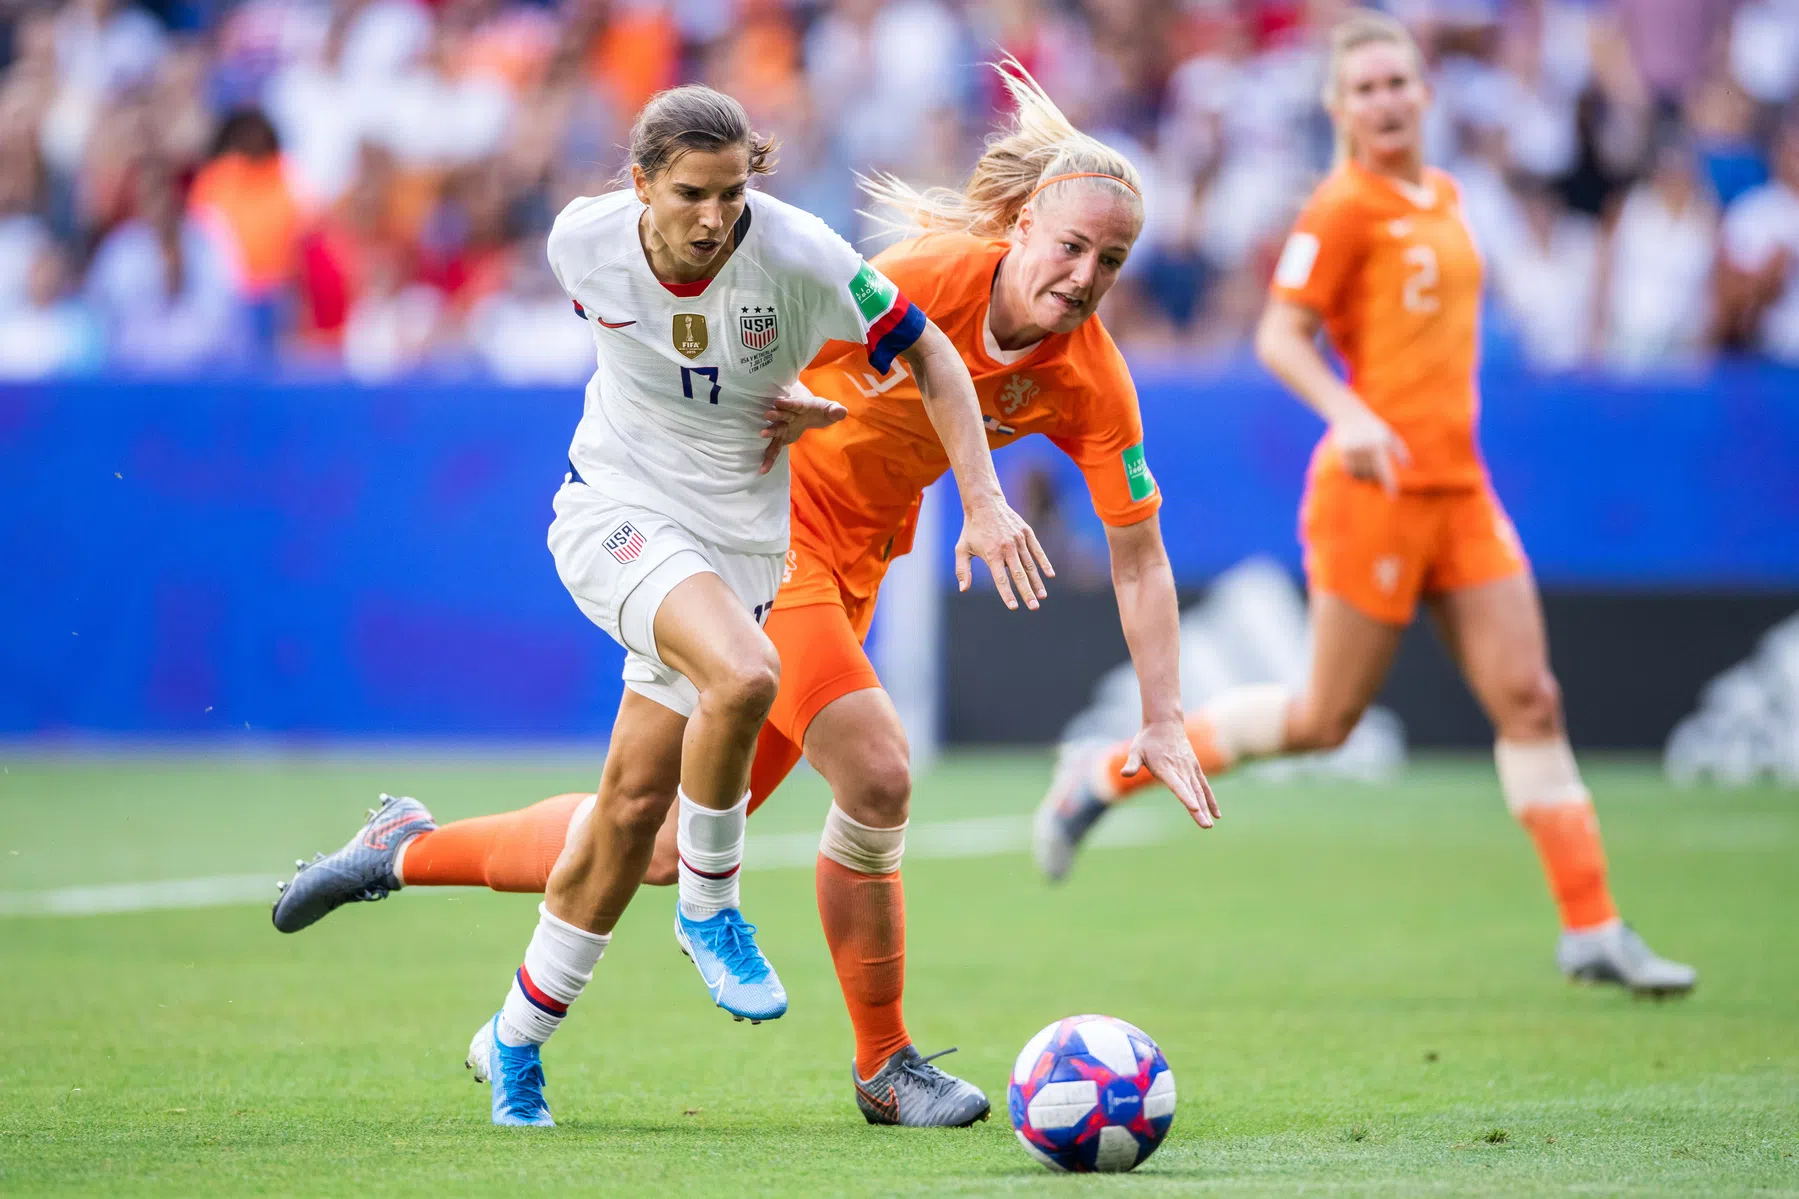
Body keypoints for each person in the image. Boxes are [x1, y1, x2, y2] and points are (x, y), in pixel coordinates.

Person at [269, 64, 1217, 1127]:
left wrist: (1164, 717)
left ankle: (401, 846)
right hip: (768, 543)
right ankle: (884, 1063)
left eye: (1111, 261)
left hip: (845, 572)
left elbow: (1138, 556)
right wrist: (812, 411)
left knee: (658, 841)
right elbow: (764, 322)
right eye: (1070, 245)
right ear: (1024, 223)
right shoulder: (928, 273)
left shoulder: (1090, 378)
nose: (1084, 274)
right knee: (877, 769)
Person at [1035, 12, 1695, 997]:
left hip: (1459, 490)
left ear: (1422, 94)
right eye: (1365, 87)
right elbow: (1280, 335)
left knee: (1530, 697)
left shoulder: (1446, 196)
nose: (1385, 100)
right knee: (1321, 718)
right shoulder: (1340, 208)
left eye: (1398, 83)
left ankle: (1590, 924)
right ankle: (1100, 775)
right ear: (1337, 107)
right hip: (1371, 494)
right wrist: (1346, 413)